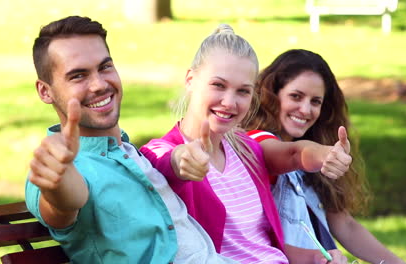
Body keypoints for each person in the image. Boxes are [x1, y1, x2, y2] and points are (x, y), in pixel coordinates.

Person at [25, 15, 238, 264]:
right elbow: (64, 204)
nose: (99, 84)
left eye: (105, 67)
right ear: (45, 91)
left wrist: (181, 158)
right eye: (78, 76)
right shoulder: (58, 166)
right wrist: (58, 180)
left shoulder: (127, 152)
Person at [140, 25, 351, 264]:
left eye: (243, 91)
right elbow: (169, 162)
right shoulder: (159, 151)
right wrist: (182, 160)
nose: (229, 102)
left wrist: (326, 154)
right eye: (218, 85)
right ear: (190, 80)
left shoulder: (245, 148)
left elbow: (294, 153)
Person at [244, 49, 406, 264]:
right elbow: (295, 154)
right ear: (272, 94)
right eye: (296, 96)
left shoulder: (311, 159)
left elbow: (345, 225)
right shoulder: (256, 142)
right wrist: (324, 154)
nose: (305, 109)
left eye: (316, 101)